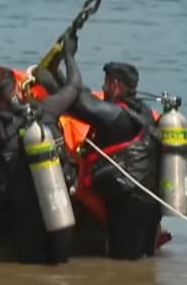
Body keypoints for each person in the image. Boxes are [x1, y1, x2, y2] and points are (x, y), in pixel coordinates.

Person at [0, 37, 84, 264]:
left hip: (25, 213)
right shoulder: (46, 108)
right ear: (17, 86)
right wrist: (69, 55)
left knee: (32, 271)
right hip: (59, 202)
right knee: (60, 270)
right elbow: (74, 88)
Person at [59, 51, 164, 260]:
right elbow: (82, 98)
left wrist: (68, 58)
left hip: (130, 203)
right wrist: (56, 73)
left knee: (124, 263)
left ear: (115, 84)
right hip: (151, 201)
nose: (104, 88)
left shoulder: (116, 115)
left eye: (105, 83)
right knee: (142, 262)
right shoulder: (143, 111)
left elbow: (79, 104)